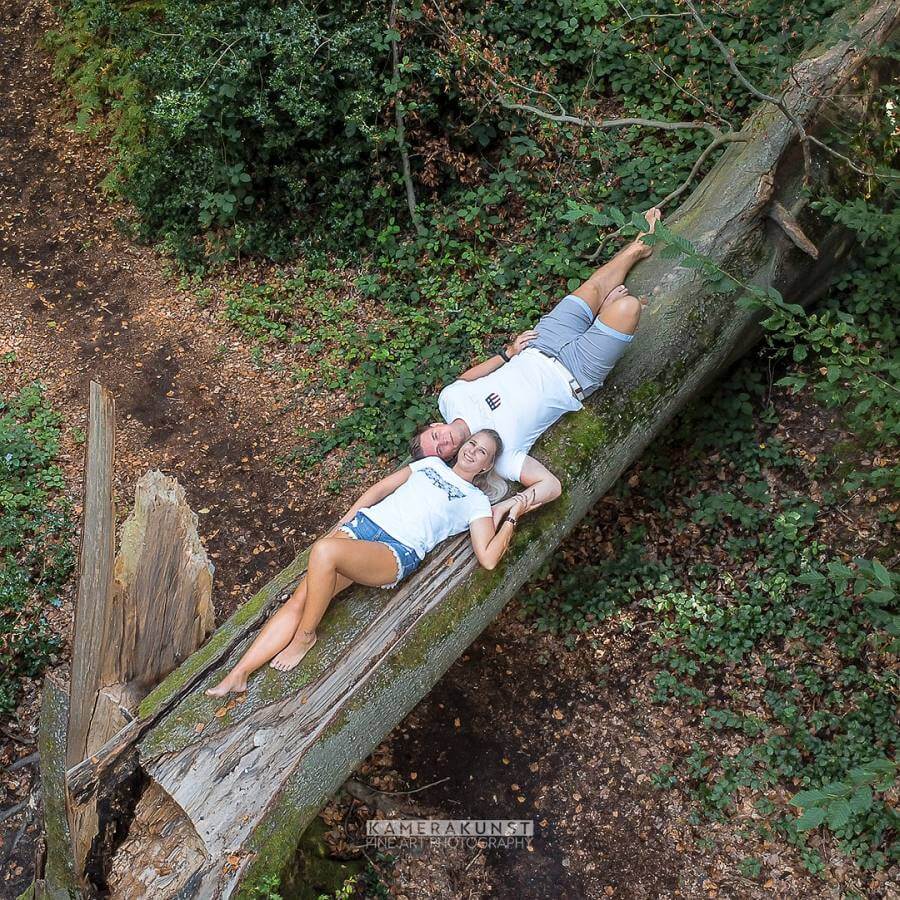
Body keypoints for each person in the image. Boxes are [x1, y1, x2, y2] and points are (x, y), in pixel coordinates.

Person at [206, 429, 528, 696]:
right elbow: (381, 488)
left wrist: (513, 515)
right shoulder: (430, 464)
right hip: (362, 528)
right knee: (299, 599)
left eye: (482, 452)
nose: (473, 451)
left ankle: (305, 637)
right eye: (472, 443)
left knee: (323, 552)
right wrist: (345, 521)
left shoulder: (476, 501)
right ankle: (240, 673)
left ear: (486, 466)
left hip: (395, 550)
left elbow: (487, 557)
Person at [410, 208, 661, 525]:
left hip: (539, 344)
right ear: (449, 458)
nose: (443, 443)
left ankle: (639, 247)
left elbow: (465, 378)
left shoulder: (449, 399)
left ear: (433, 427)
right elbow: (549, 485)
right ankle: (603, 317)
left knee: (594, 287)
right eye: (441, 452)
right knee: (628, 307)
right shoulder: (494, 457)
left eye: (434, 439)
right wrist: (511, 506)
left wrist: (506, 353)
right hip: (574, 372)